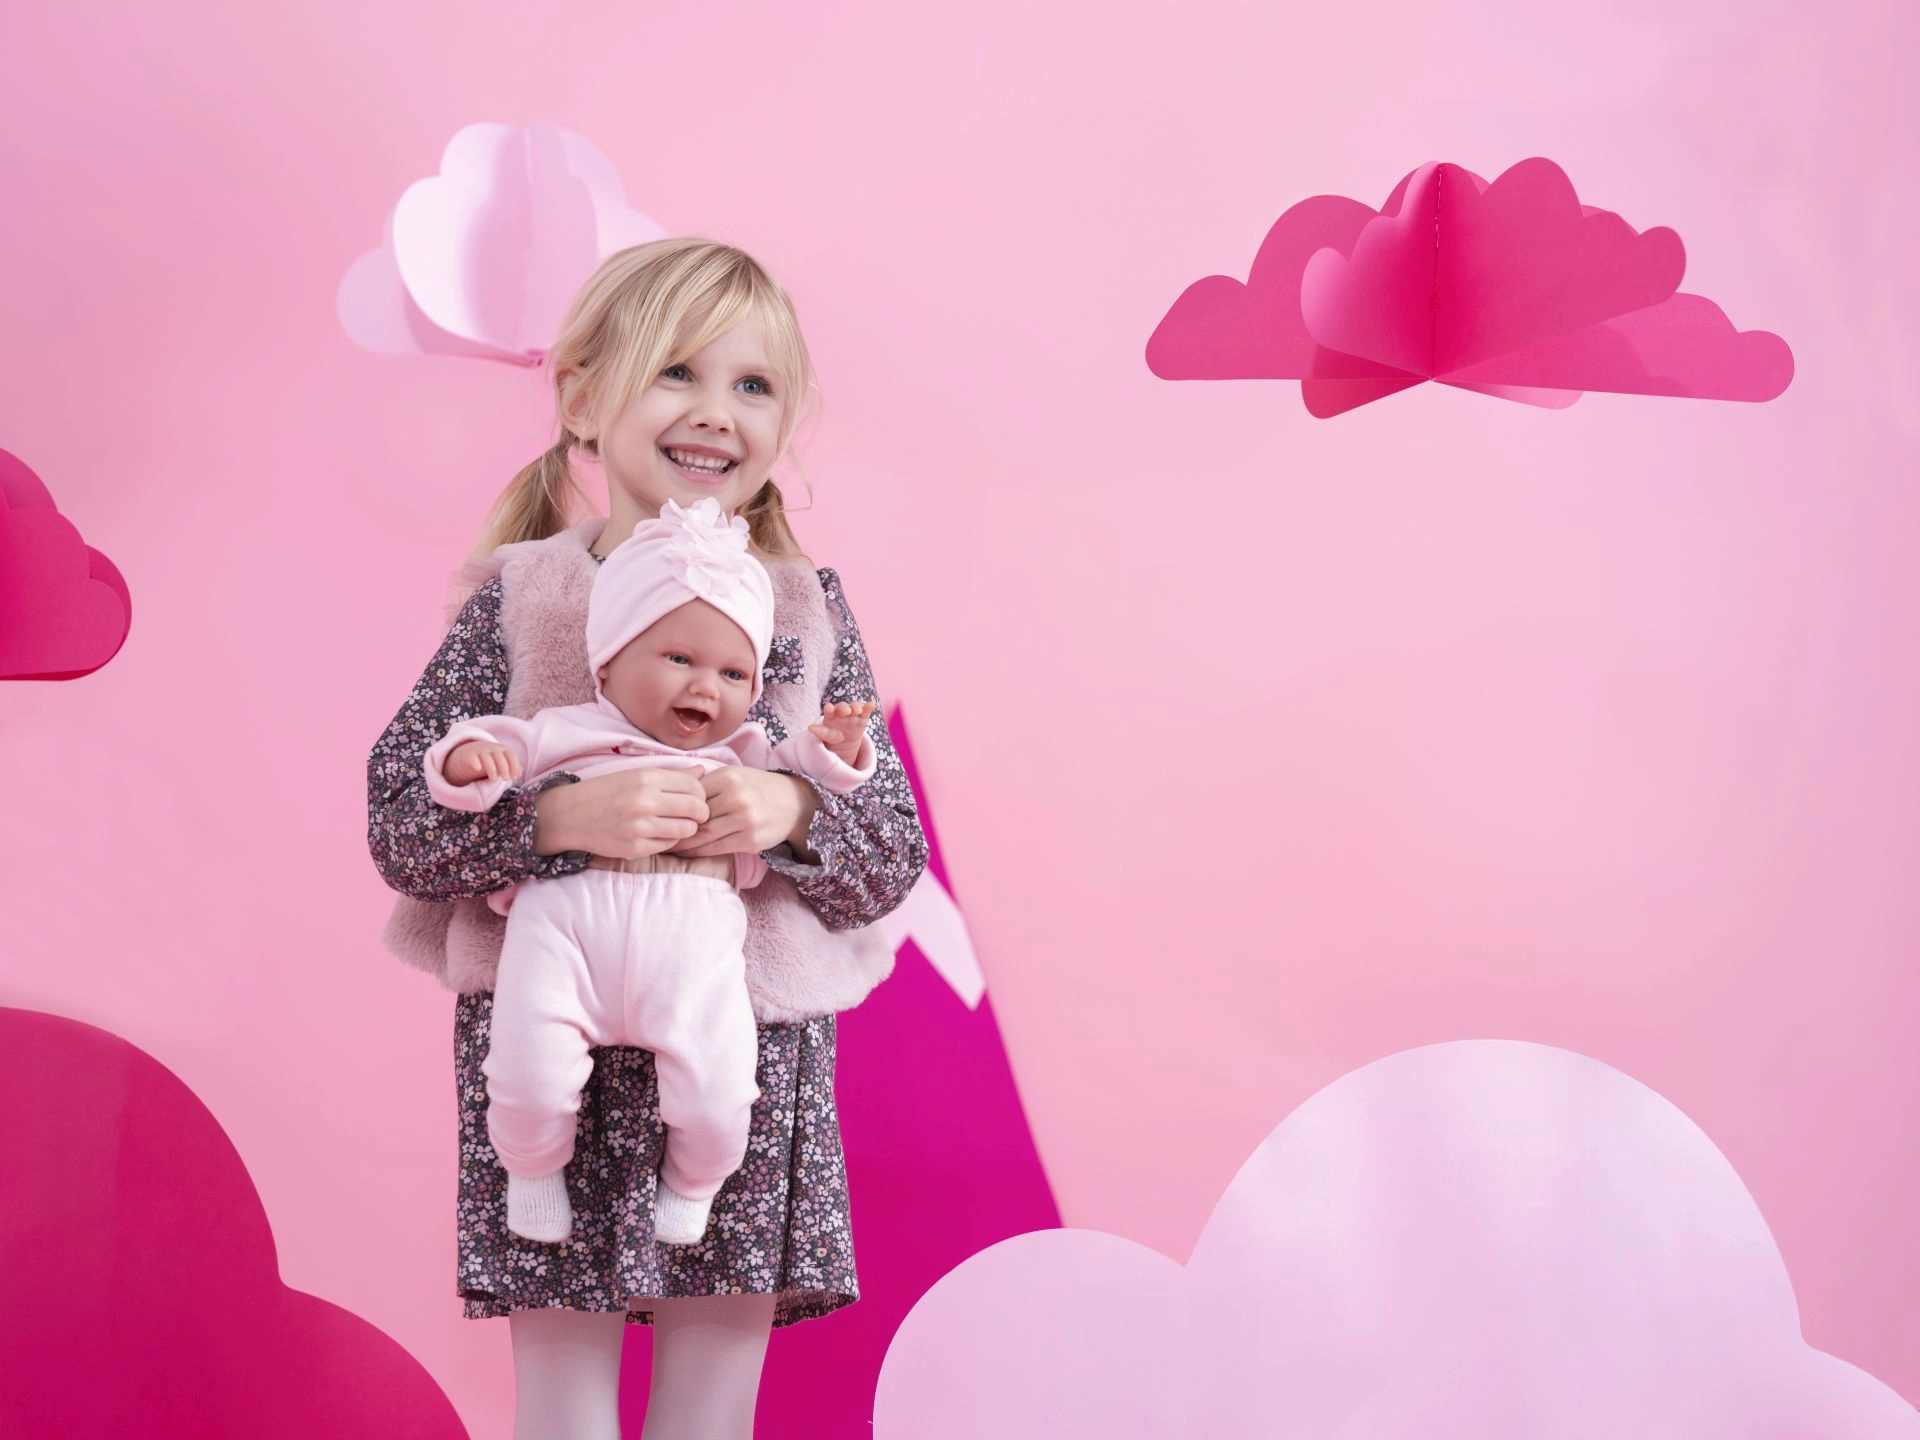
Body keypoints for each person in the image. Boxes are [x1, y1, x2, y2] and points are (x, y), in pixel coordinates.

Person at [367, 237, 928, 1440]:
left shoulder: (803, 612)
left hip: (745, 1053)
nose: (716, 412)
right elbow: (402, 824)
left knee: (707, 1415)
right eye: (678, 371)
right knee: (562, 1409)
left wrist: (790, 812)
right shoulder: (520, 599)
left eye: (753, 384)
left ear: (785, 422)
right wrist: (553, 819)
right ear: (582, 397)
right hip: (544, 1049)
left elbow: (892, 855)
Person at [424, 495, 878, 1248]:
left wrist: (835, 749)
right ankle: (532, 1171)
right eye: (678, 659)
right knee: (525, 1075)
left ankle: (693, 1184)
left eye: (734, 672)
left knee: (720, 1092)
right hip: (561, 939)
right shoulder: (562, 730)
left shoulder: (744, 751)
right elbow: (470, 750)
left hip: (693, 957)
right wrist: (470, 760)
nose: (706, 687)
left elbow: (809, 773)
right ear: (607, 661)